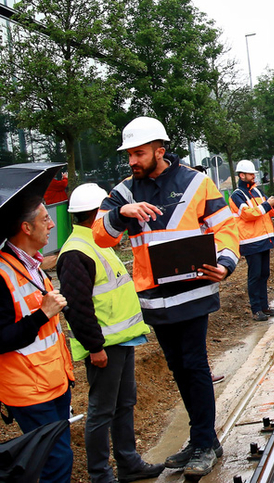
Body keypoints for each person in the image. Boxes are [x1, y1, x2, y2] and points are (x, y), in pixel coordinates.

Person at [93, 116, 240, 478]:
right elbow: (100, 234)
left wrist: (224, 263)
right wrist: (119, 212)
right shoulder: (125, 192)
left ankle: (205, 443)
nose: (132, 161)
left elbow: (225, 226)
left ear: (160, 150)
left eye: (139, 153)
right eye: (129, 155)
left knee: (194, 365)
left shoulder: (196, 183)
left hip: (192, 292)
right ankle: (202, 438)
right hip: (155, 300)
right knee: (178, 368)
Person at [57, 184, 164, 483]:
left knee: (124, 403)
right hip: (104, 347)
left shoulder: (97, 244)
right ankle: (100, 474)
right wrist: (95, 348)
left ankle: (128, 463)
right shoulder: (76, 252)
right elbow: (77, 308)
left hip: (121, 341)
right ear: (95, 214)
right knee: (101, 411)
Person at [0, 197, 74, 483]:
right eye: (45, 219)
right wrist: (41, 314)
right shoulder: (3, 273)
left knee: (58, 455)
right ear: (26, 228)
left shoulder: (32, 266)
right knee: (55, 461)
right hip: (28, 390)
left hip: (54, 381)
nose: (52, 224)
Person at [229, 160, 274, 322]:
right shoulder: (236, 196)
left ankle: (264, 306)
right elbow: (248, 214)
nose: (253, 177)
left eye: (253, 174)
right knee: (255, 275)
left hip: (263, 238)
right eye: (251, 174)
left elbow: (269, 211)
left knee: (264, 273)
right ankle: (256, 309)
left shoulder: (257, 192)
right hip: (250, 241)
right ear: (242, 175)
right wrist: (268, 204)